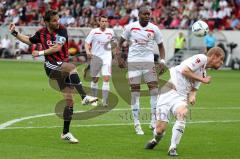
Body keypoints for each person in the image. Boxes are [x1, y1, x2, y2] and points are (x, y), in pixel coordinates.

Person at [9, 10, 97, 144]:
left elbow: (57, 47)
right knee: (72, 68)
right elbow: (29, 41)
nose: (58, 22)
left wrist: (39, 52)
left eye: (58, 19)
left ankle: (65, 133)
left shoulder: (62, 30)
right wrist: (15, 33)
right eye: (55, 20)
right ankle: (84, 97)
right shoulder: (41, 33)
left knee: (69, 101)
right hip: (51, 66)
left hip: (62, 65)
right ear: (47, 22)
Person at [145, 47, 225, 156]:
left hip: (180, 97)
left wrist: (193, 96)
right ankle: (156, 139)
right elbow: (184, 70)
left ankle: (173, 147)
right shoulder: (201, 58)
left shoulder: (203, 73)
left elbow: (194, 89)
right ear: (214, 56)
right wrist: (203, 80)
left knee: (182, 114)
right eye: (220, 59)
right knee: (159, 130)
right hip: (168, 92)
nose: (221, 62)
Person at [116, 6, 166, 135]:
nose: (147, 16)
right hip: (133, 62)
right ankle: (137, 124)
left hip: (149, 62)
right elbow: (120, 42)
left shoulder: (154, 29)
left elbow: (161, 46)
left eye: (149, 14)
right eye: (145, 14)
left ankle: (154, 120)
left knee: (154, 91)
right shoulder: (130, 27)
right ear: (139, 15)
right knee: (135, 93)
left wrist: (162, 61)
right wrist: (119, 56)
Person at [85, 16, 116, 106]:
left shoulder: (111, 32)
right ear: (99, 22)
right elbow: (87, 43)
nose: (104, 23)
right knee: (95, 79)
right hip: (96, 58)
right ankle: (94, 100)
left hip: (107, 58)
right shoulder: (94, 32)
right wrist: (88, 52)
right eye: (102, 21)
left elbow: (113, 43)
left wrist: (115, 52)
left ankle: (105, 101)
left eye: (105, 21)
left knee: (106, 79)